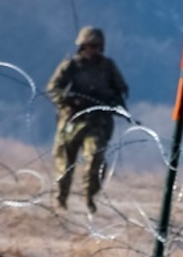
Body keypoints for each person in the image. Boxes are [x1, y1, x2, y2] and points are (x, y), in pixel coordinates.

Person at [46, 26, 129, 213]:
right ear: (82, 46)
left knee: (95, 158)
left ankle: (89, 195)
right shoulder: (71, 65)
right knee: (64, 163)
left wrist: (111, 101)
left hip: (97, 122)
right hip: (72, 120)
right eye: (89, 46)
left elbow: (121, 89)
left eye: (96, 46)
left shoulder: (108, 66)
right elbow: (53, 88)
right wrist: (68, 100)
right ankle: (61, 199)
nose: (93, 50)